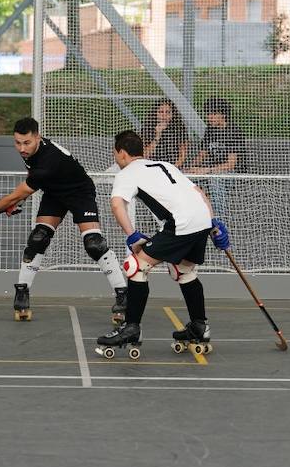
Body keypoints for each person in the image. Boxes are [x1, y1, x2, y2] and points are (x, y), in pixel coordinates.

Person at [0, 117, 127, 324]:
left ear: (38, 138)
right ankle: (22, 292)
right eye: (17, 142)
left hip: (80, 193)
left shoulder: (48, 160)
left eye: (27, 143)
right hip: (53, 192)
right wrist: (16, 201)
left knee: (94, 244)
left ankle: (123, 294)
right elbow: (29, 182)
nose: (22, 148)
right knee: (38, 239)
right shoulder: (31, 153)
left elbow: (20, 190)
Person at [94, 130, 229, 360]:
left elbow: (117, 206)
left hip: (181, 223)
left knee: (135, 267)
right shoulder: (164, 165)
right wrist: (214, 224)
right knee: (184, 270)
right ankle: (199, 326)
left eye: (116, 153)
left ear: (122, 153)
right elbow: (199, 192)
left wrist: (133, 235)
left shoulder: (126, 173)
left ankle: (131, 328)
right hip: (201, 219)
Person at [185, 98, 245, 217]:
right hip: (211, 170)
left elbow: (231, 164)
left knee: (215, 180)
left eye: (213, 114)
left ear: (223, 115)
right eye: (208, 114)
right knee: (183, 178)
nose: (209, 117)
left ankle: (219, 219)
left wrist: (206, 170)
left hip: (231, 173)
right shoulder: (210, 130)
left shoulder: (234, 132)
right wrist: (192, 167)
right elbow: (203, 153)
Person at [140, 99, 189, 167]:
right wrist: (157, 135)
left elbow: (183, 154)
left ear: (172, 114)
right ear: (155, 113)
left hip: (174, 167)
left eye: (168, 112)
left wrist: (173, 167)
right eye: (161, 112)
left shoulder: (179, 128)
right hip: (152, 167)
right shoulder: (148, 128)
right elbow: (145, 155)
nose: (164, 115)